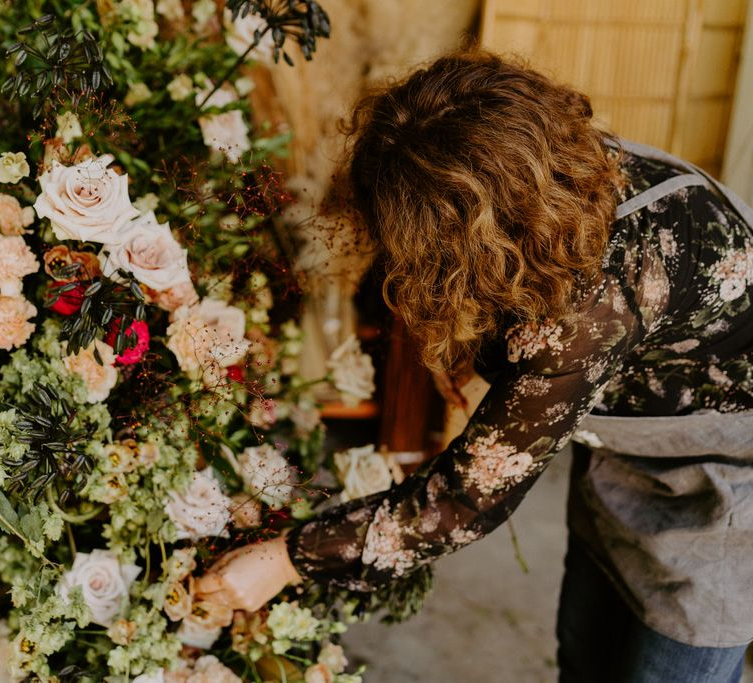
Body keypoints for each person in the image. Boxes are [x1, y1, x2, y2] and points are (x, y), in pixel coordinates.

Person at [195, 51, 753, 682]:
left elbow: (463, 501)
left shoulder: (592, 307)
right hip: (627, 444)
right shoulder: (547, 173)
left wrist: (285, 559)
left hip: (731, 476)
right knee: (588, 654)